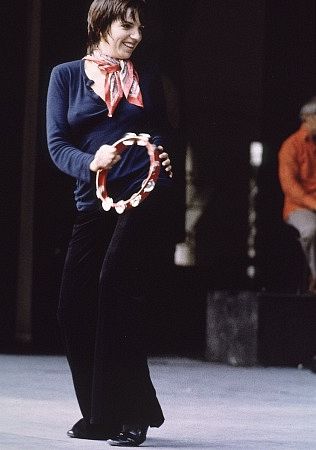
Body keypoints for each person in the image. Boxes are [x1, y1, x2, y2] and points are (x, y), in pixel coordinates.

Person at [46, 0, 175, 446]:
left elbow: (159, 129)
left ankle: (132, 413)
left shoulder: (147, 76)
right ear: (101, 24)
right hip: (91, 201)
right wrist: (90, 160)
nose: (136, 34)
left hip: (140, 197)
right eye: (127, 24)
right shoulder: (65, 76)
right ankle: (99, 414)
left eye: (140, 26)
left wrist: (158, 153)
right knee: (72, 306)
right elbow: (57, 143)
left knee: (115, 289)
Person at [278, 96, 316, 293]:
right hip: (299, 206)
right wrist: (313, 203)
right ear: (308, 118)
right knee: (311, 230)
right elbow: (290, 186)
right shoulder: (291, 146)